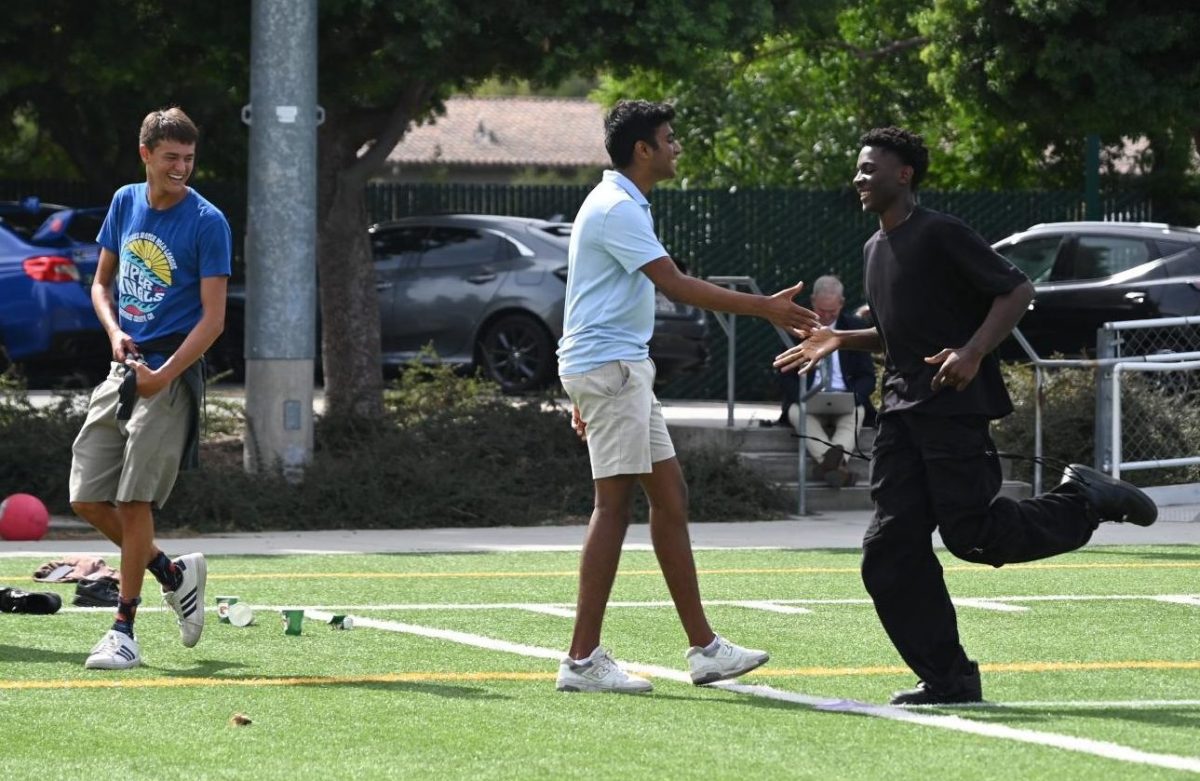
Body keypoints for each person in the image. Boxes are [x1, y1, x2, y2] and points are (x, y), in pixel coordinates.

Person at [775, 126, 1157, 705]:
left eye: (869, 167)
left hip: (953, 409)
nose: (859, 177)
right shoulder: (875, 249)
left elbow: (1016, 289)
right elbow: (897, 334)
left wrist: (973, 351)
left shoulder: (941, 234)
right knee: (889, 551)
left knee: (972, 536)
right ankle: (948, 679)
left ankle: (1083, 501)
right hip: (902, 415)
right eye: (857, 168)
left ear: (903, 174)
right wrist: (839, 338)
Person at [555, 100, 821, 693]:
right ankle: (580, 661)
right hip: (613, 370)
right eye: (669, 139)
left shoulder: (620, 203)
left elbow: (588, 298)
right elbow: (673, 284)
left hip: (617, 370)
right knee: (613, 507)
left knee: (670, 499)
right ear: (642, 150)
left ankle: (704, 650)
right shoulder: (618, 206)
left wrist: (582, 383)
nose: (677, 147)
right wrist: (766, 307)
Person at [69, 107, 231, 670]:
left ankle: (124, 629)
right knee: (86, 496)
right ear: (146, 156)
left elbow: (213, 320)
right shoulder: (124, 201)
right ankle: (172, 572)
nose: (181, 168)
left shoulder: (208, 222)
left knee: (134, 500)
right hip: (125, 369)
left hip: (172, 377)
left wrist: (165, 376)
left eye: (188, 158)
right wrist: (114, 333)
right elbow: (100, 283)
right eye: (171, 158)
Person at [776, 274, 875, 487]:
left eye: (832, 312)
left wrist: (855, 397)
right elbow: (784, 373)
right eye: (822, 311)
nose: (827, 317)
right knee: (796, 412)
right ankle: (838, 467)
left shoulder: (853, 328)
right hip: (809, 398)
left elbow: (867, 376)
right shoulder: (797, 328)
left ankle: (827, 464)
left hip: (845, 398)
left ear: (842, 304)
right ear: (812, 302)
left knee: (858, 412)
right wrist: (800, 397)